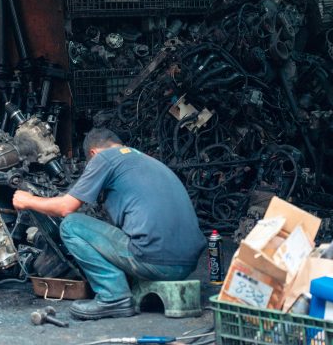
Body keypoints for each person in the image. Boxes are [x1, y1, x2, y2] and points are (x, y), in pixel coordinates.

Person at [12, 128, 207, 320]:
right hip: (186, 264)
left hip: (154, 260)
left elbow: (65, 207)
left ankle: (113, 297)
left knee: (71, 225)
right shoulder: (146, 160)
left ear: (93, 153)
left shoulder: (104, 158)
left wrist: (28, 200)